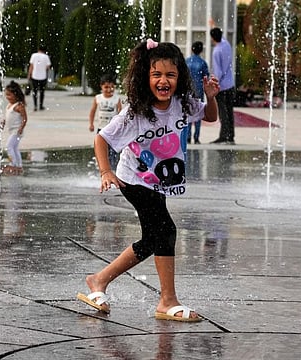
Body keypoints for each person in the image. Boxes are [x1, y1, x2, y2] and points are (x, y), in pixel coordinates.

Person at [77, 39, 220, 321]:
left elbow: (211, 117)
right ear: (146, 77)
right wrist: (106, 171)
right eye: (156, 75)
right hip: (133, 180)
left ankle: (99, 280)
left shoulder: (181, 104)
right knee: (165, 231)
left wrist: (211, 96)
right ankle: (167, 301)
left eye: (170, 75)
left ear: (180, 78)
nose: (163, 81)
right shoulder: (136, 112)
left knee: (153, 237)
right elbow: (101, 139)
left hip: (158, 180)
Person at [88, 74, 122, 170]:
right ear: (101, 86)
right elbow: (93, 111)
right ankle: (102, 169)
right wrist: (91, 124)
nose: (109, 89)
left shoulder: (116, 99)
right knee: (101, 149)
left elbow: (120, 114)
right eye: (106, 87)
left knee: (113, 151)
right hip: (101, 128)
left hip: (113, 129)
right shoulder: (98, 98)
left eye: (111, 87)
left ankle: (113, 169)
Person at [209, 27, 235, 145]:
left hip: (222, 86)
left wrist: (213, 84)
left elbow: (218, 71)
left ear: (212, 38)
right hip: (230, 84)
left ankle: (224, 135)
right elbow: (222, 38)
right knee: (229, 110)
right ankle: (231, 135)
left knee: (222, 111)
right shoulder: (226, 45)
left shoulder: (216, 51)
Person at [186, 41, 209, 144]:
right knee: (199, 112)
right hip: (199, 89)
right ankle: (196, 137)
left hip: (188, 89)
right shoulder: (202, 63)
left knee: (188, 112)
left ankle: (188, 136)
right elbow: (206, 77)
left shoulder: (187, 61)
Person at [3, 81, 28, 175]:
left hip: (17, 131)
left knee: (9, 147)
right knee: (15, 148)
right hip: (12, 131)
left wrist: (21, 128)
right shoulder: (9, 105)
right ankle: (19, 165)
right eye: (6, 95)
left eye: (9, 95)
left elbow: (25, 119)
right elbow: (8, 117)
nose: (7, 97)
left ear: (16, 95)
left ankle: (13, 164)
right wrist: (3, 122)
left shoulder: (19, 106)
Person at [28, 45, 51, 111]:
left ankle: (35, 105)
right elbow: (48, 67)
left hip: (34, 76)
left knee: (34, 91)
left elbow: (31, 66)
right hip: (43, 76)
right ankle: (41, 105)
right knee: (42, 92)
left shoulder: (34, 55)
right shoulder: (46, 57)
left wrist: (29, 74)